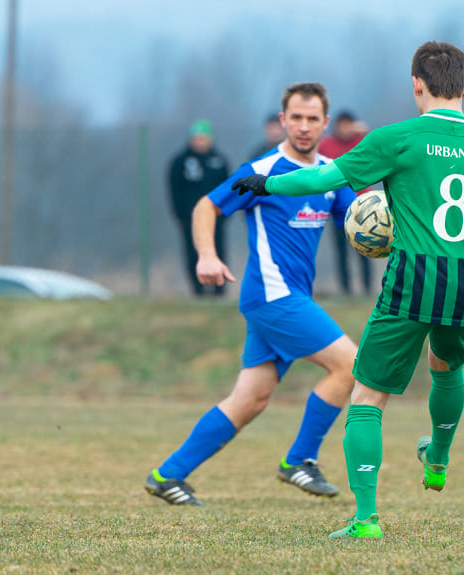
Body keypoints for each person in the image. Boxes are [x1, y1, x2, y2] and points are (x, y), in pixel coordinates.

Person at [233, 41, 464, 539]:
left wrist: (268, 186)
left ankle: (365, 520)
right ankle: (439, 457)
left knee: (367, 396)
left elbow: (325, 175)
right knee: (447, 365)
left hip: (414, 277)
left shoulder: (399, 139)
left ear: (417, 86)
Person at [145, 83, 359, 506]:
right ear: (282, 121)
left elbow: (359, 223)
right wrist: (205, 255)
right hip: (272, 298)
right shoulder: (261, 172)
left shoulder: (331, 175)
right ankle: (299, 460)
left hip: (287, 298)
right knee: (351, 366)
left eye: (312, 118)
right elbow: (206, 207)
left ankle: (166, 475)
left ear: (325, 124)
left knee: (250, 399)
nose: (303, 126)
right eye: (295, 117)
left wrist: (385, 226)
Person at [168, 119, 230, 296]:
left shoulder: (219, 161)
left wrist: (224, 214)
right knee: (193, 253)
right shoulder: (180, 162)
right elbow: (174, 190)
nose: (200, 142)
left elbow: (230, 189)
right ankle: (198, 291)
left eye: (204, 138)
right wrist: (181, 215)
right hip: (190, 219)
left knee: (218, 251)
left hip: (216, 218)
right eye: (197, 138)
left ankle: (219, 291)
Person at [318, 110, 373, 295]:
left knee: (366, 249)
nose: (345, 129)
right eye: (342, 125)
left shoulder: (360, 141)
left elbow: (378, 149)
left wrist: (364, 132)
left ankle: (367, 289)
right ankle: (346, 290)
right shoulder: (326, 144)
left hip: (363, 206)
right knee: (341, 250)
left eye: (349, 124)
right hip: (338, 207)